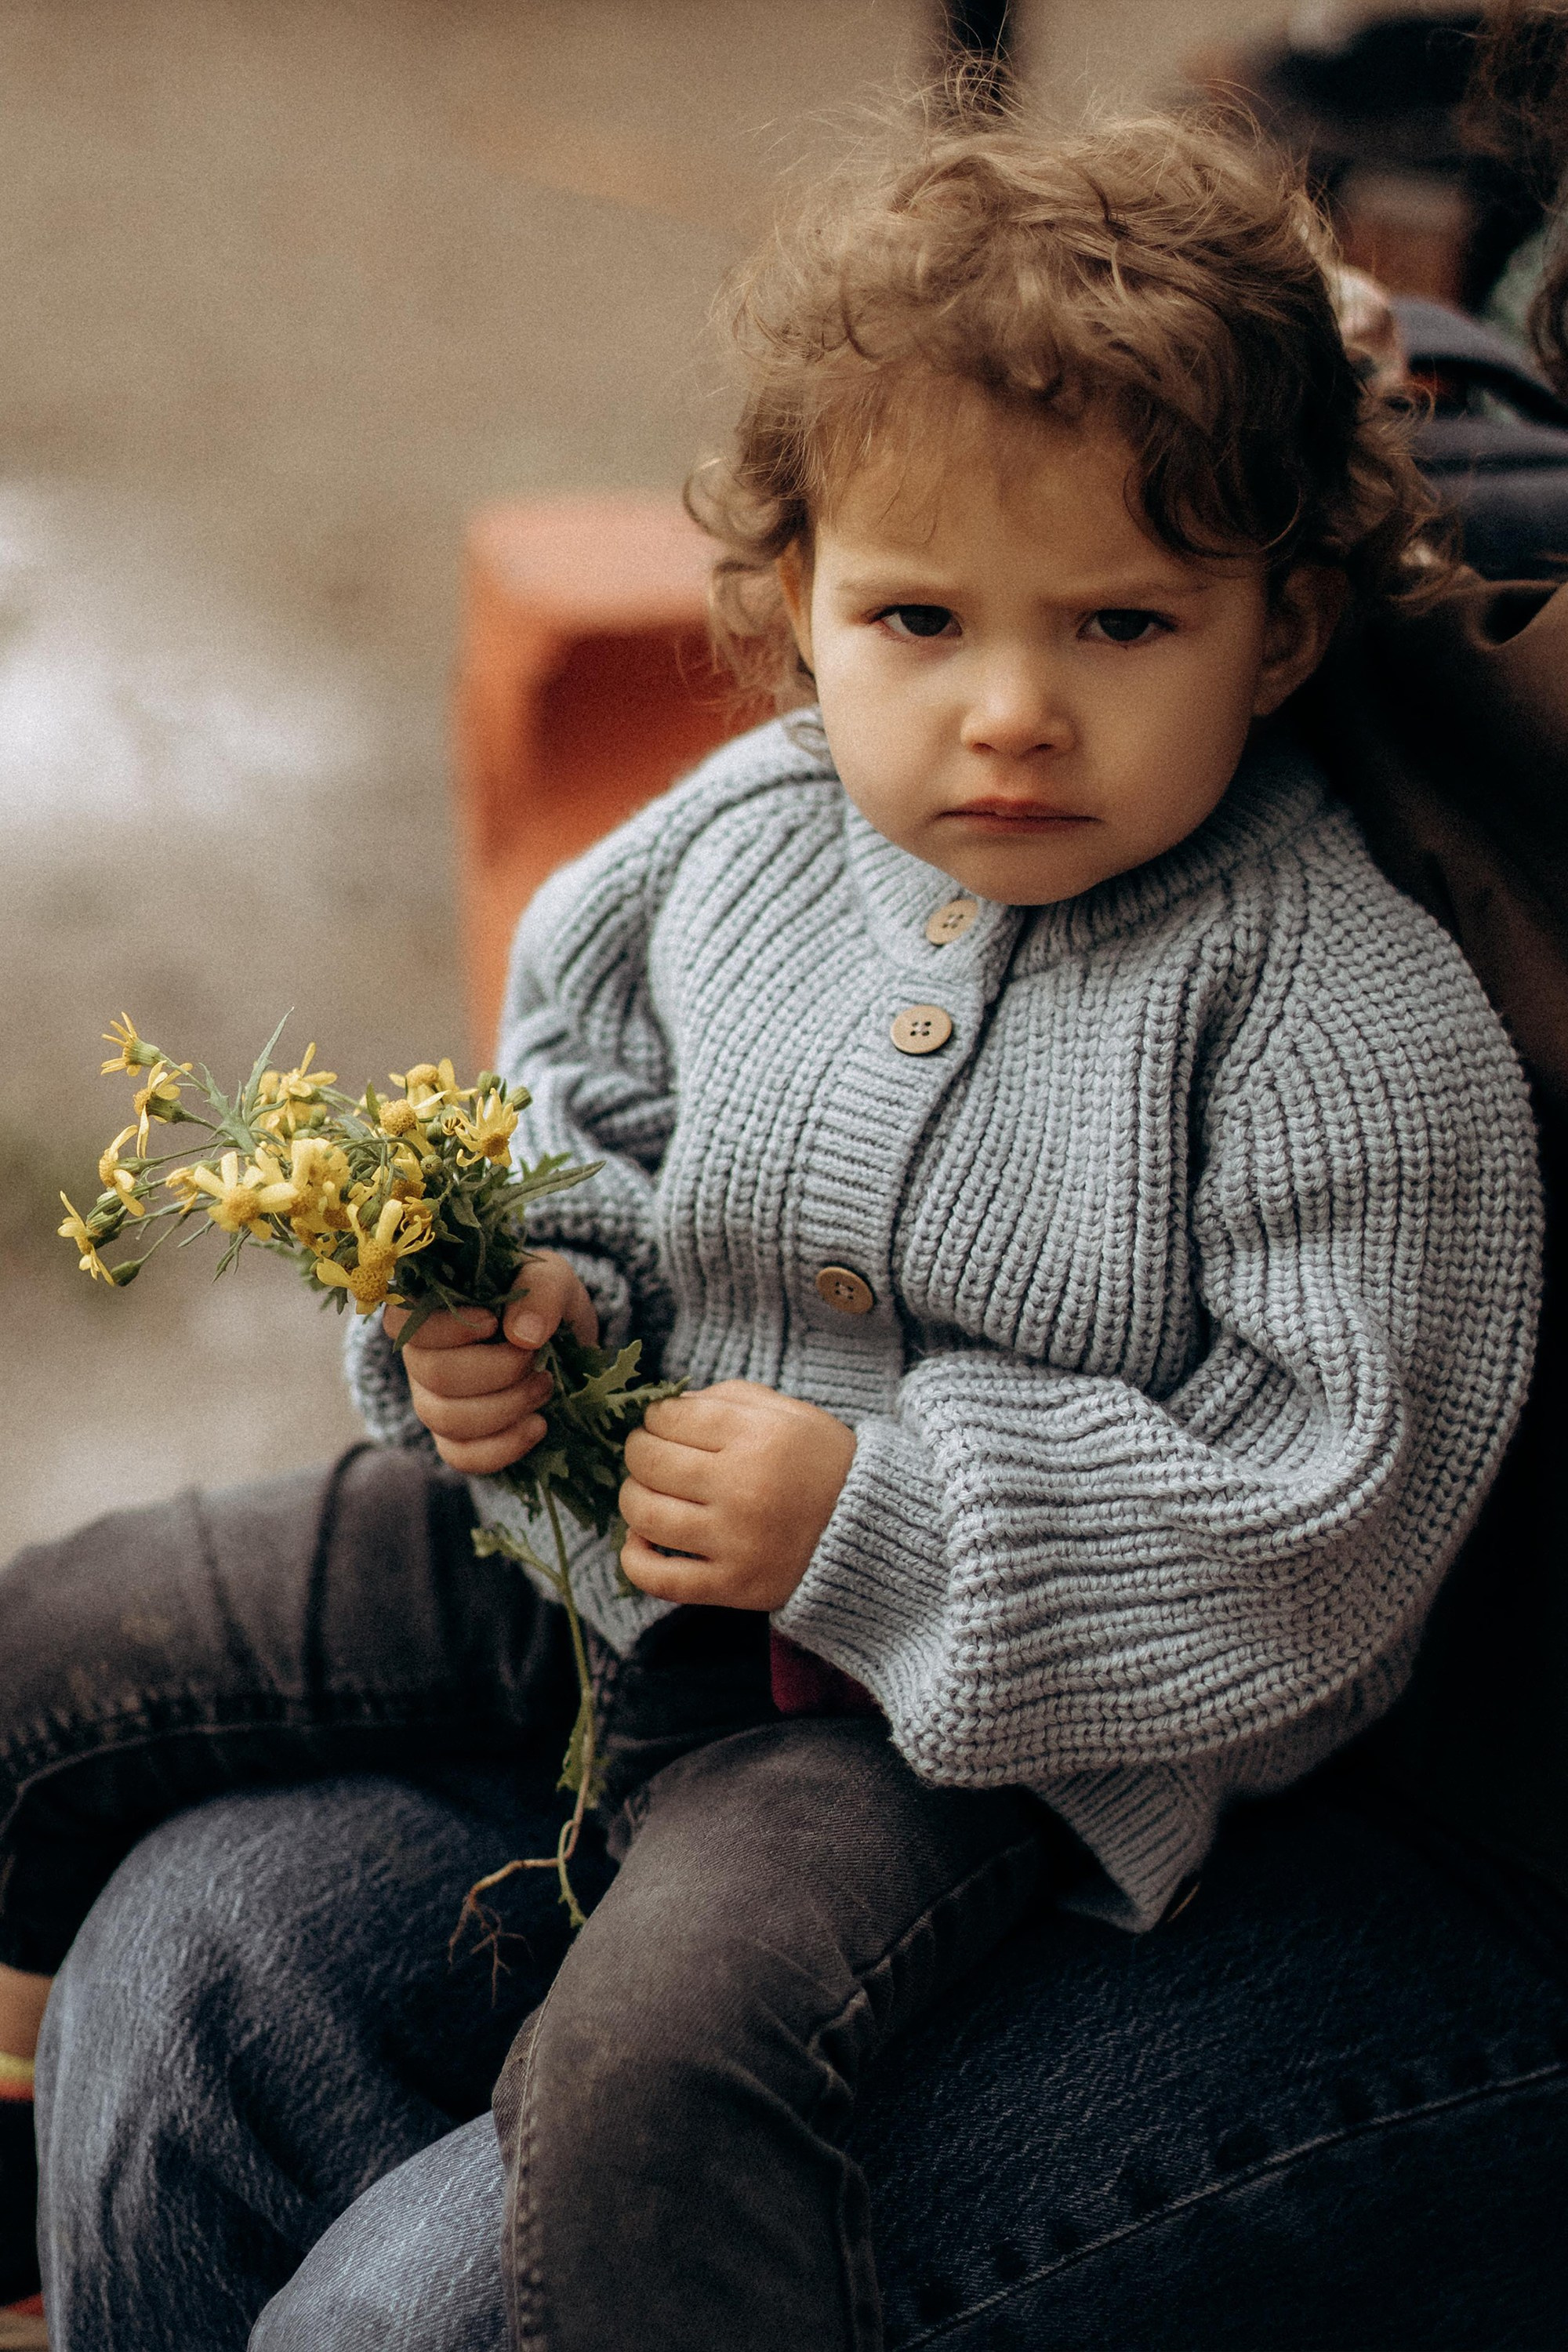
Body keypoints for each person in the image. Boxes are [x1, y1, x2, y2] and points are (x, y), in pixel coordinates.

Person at [0, 103, 1544, 2350]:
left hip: (918, 1721)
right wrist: (512, 1309)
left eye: (1123, 621)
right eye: (919, 617)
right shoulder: (735, 841)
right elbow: (581, 1125)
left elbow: (1328, 1524)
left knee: (667, 2061)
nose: (1011, 712)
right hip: (586, 1538)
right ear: (797, 591)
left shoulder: (1335, 1009)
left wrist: (884, 1522)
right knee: (67, 1653)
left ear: (1283, 624)